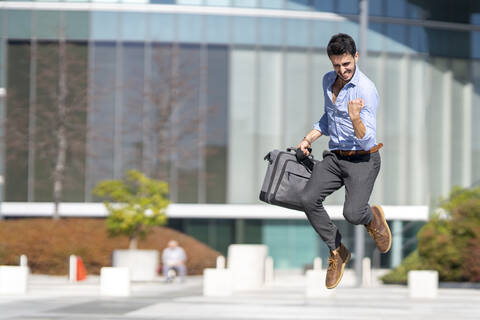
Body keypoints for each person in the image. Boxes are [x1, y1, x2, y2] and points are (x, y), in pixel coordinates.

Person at [297, 33, 391, 289]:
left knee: (352, 213)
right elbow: (328, 119)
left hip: (363, 159)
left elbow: (366, 138)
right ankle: (338, 251)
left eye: (346, 64)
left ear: (356, 57)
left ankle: (372, 218)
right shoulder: (328, 81)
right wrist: (309, 138)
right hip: (336, 157)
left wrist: (355, 118)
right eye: (336, 65)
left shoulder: (366, 90)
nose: (342, 70)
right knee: (307, 199)